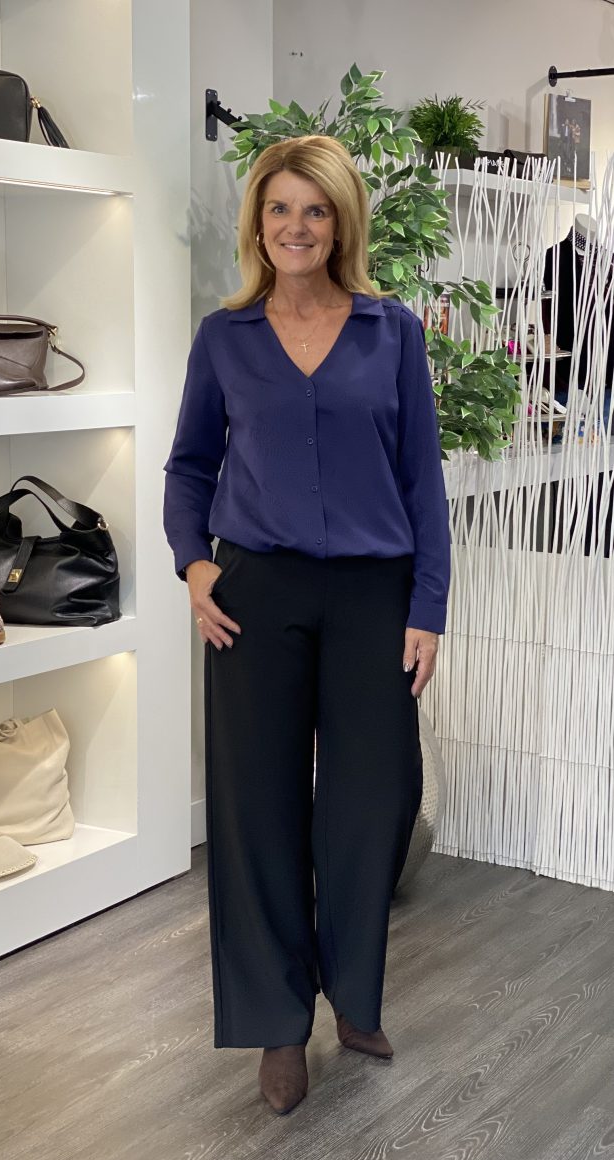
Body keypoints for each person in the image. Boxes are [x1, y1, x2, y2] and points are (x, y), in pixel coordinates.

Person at [163, 134, 451, 1115]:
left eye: (315, 209)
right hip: (256, 593)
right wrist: (194, 563)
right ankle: (277, 1022)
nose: (296, 226)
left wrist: (427, 606)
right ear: (258, 223)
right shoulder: (224, 337)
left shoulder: (390, 332)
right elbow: (189, 465)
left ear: (340, 223)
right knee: (257, 810)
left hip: (374, 593)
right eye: (279, 208)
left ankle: (353, 994)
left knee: (374, 801)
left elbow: (421, 479)